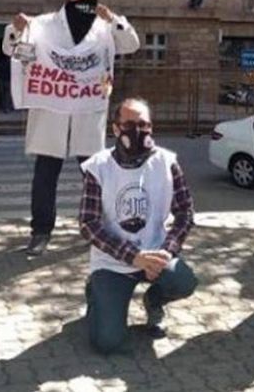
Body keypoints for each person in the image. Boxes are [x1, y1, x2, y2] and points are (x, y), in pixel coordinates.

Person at [3, 0, 140, 256]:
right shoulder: (43, 24)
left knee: (94, 174)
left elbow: (131, 44)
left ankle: (100, 226)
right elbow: (12, 49)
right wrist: (16, 30)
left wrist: (113, 18)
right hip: (52, 112)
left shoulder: (103, 27)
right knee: (45, 176)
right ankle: (40, 232)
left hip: (86, 112)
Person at [79, 98, 197, 354]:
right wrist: (133, 256)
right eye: (130, 124)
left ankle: (154, 302)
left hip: (156, 256)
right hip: (113, 263)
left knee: (183, 280)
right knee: (106, 343)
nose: (137, 131)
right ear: (115, 128)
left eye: (144, 124)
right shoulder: (98, 166)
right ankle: (96, 293)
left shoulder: (166, 162)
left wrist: (167, 251)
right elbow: (88, 223)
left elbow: (185, 212)